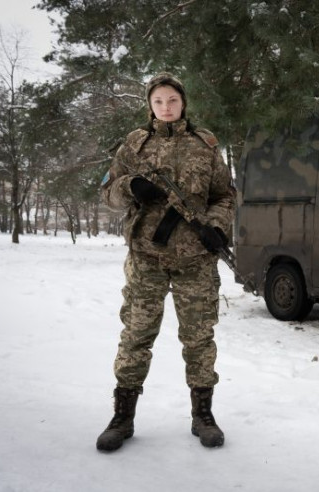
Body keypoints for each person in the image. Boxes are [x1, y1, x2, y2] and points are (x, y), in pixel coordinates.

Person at [96, 72, 236, 451]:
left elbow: (224, 195)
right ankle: (122, 417)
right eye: (158, 101)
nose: (166, 107)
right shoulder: (134, 145)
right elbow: (107, 193)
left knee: (199, 337)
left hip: (196, 260)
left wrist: (216, 228)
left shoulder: (205, 144)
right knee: (136, 335)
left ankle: (203, 416)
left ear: (183, 102)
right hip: (146, 258)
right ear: (150, 105)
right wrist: (129, 186)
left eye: (172, 99)